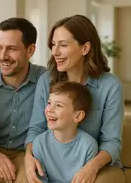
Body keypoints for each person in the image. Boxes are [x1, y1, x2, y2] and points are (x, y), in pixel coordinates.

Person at [24, 14, 126, 183]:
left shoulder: (110, 86)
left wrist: (91, 168)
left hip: (99, 164)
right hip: (53, 165)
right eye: (53, 45)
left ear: (85, 48)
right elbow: (36, 129)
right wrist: (28, 157)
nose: (55, 52)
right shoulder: (46, 80)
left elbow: (111, 142)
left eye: (63, 45)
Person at [0, 17, 46, 183]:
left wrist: (31, 155)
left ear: (30, 50)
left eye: (11, 49)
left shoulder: (46, 80)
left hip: (30, 153)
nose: (3, 56)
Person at [32, 81, 98, 183]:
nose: (49, 110)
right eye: (49, 103)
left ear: (78, 116)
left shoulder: (88, 146)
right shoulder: (39, 143)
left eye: (59, 105)